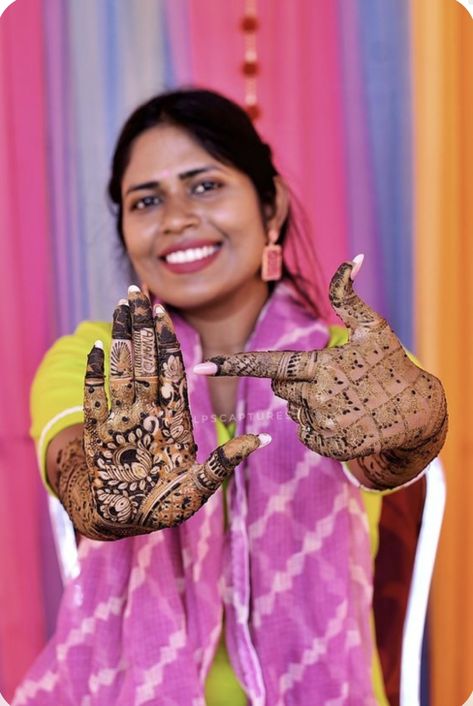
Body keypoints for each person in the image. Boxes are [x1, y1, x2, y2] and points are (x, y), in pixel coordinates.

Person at [13, 89, 447, 706]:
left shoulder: (352, 364)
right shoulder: (94, 361)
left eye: (205, 185)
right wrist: (102, 497)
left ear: (270, 207)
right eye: (147, 200)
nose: (177, 218)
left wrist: (418, 430)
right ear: (127, 232)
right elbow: (74, 466)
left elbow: (392, 456)